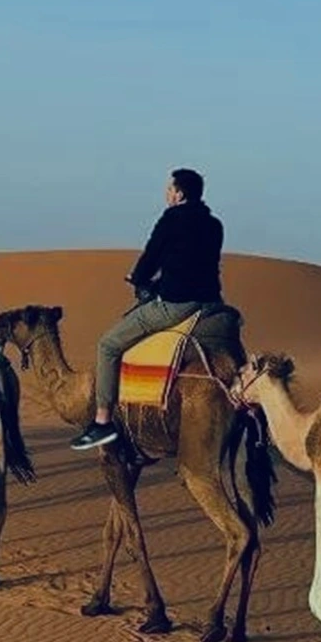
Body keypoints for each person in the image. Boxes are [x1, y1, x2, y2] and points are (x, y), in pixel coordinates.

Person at [69, 168, 225, 450]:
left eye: (170, 189)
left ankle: (103, 421)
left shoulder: (172, 218)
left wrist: (138, 278)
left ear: (179, 194)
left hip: (178, 304)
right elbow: (192, 261)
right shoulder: (215, 224)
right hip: (212, 303)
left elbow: (152, 256)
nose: (167, 193)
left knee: (108, 345)